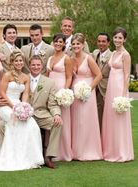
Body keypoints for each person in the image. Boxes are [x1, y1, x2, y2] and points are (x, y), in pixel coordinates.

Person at [0, 50, 44, 171]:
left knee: (32, 125)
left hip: (19, 105)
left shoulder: (26, 77)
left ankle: (29, 158)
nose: (19, 62)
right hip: (6, 105)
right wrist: (13, 106)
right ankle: (12, 157)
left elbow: (25, 94)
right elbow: (2, 93)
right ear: (12, 62)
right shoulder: (7, 75)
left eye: (21, 60)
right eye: (16, 61)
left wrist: (24, 106)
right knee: (15, 121)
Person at [102, 27, 134, 162]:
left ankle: (122, 152)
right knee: (111, 119)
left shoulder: (125, 55)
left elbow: (127, 75)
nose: (117, 40)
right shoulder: (113, 53)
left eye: (120, 37)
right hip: (111, 87)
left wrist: (123, 96)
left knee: (119, 119)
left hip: (120, 88)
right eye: (115, 37)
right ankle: (111, 150)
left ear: (124, 39)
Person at [70, 33, 103, 161]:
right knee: (76, 120)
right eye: (73, 44)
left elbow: (99, 75)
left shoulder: (88, 58)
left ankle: (88, 150)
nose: (75, 46)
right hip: (75, 92)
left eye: (78, 43)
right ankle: (76, 151)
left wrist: (88, 89)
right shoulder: (71, 58)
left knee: (85, 121)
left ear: (83, 45)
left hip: (87, 94)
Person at [46, 33, 73, 161]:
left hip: (61, 91)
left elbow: (69, 77)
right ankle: (51, 151)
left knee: (63, 121)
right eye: (56, 41)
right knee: (52, 120)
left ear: (64, 44)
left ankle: (64, 152)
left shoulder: (66, 58)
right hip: (50, 91)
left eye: (60, 42)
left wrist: (65, 92)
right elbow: (46, 76)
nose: (58, 44)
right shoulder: (50, 58)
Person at [92, 33, 112, 129]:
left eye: (104, 41)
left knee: (102, 115)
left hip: (105, 88)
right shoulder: (95, 53)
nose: (101, 43)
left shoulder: (112, 55)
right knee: (94, 113)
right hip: (94, 88)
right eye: (99, 41)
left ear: (108, 43)